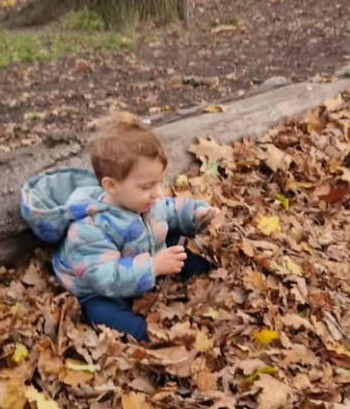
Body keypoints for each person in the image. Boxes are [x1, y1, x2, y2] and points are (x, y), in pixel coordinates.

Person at [20, 112, 221, 342]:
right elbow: (106, 277)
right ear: (111, 186)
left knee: (181, 243)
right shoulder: (90, 228)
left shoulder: (147, 201)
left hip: (141, 259)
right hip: (99, 288)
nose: (157, 192)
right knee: (101, 311)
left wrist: (196, 214)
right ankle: (144, 334)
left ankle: (205, 276)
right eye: (147, 186)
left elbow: (171, 210)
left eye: (159, 182)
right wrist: (152, 267)